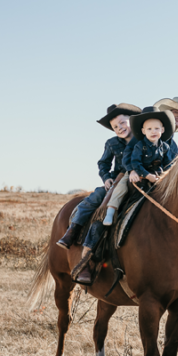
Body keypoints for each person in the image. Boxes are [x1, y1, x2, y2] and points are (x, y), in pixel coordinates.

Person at [102, 97, 178, 225]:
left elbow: (171, 164)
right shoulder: (139, 140)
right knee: (115, 191)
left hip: (158, 175)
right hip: (136, 171)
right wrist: (132, 171)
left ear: (162, 128)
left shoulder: (171, 145)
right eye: (175, 113)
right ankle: (105, 220)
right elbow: (130, 157)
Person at [57, 103, 141, 250]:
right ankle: (73, 229)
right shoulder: (111, 143)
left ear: (131, 120)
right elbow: (103, 163)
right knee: (96, 197)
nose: (120, 127)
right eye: (115, 126)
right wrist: (106, 178)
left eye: (122, 122)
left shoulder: (143, 139)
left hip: (138, 178)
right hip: (117, 180)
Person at [128, 106, 176, 184]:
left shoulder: (165, 147)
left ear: (162, 130)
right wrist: (148, 176)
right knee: (132, 188)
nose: (153, 131)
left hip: (160, 177)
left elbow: (168, 164)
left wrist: (164, 175)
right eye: (149, 129)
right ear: (143, 131)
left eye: (156, 128)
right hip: (142, 176)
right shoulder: (139, 146)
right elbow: (135, 163)